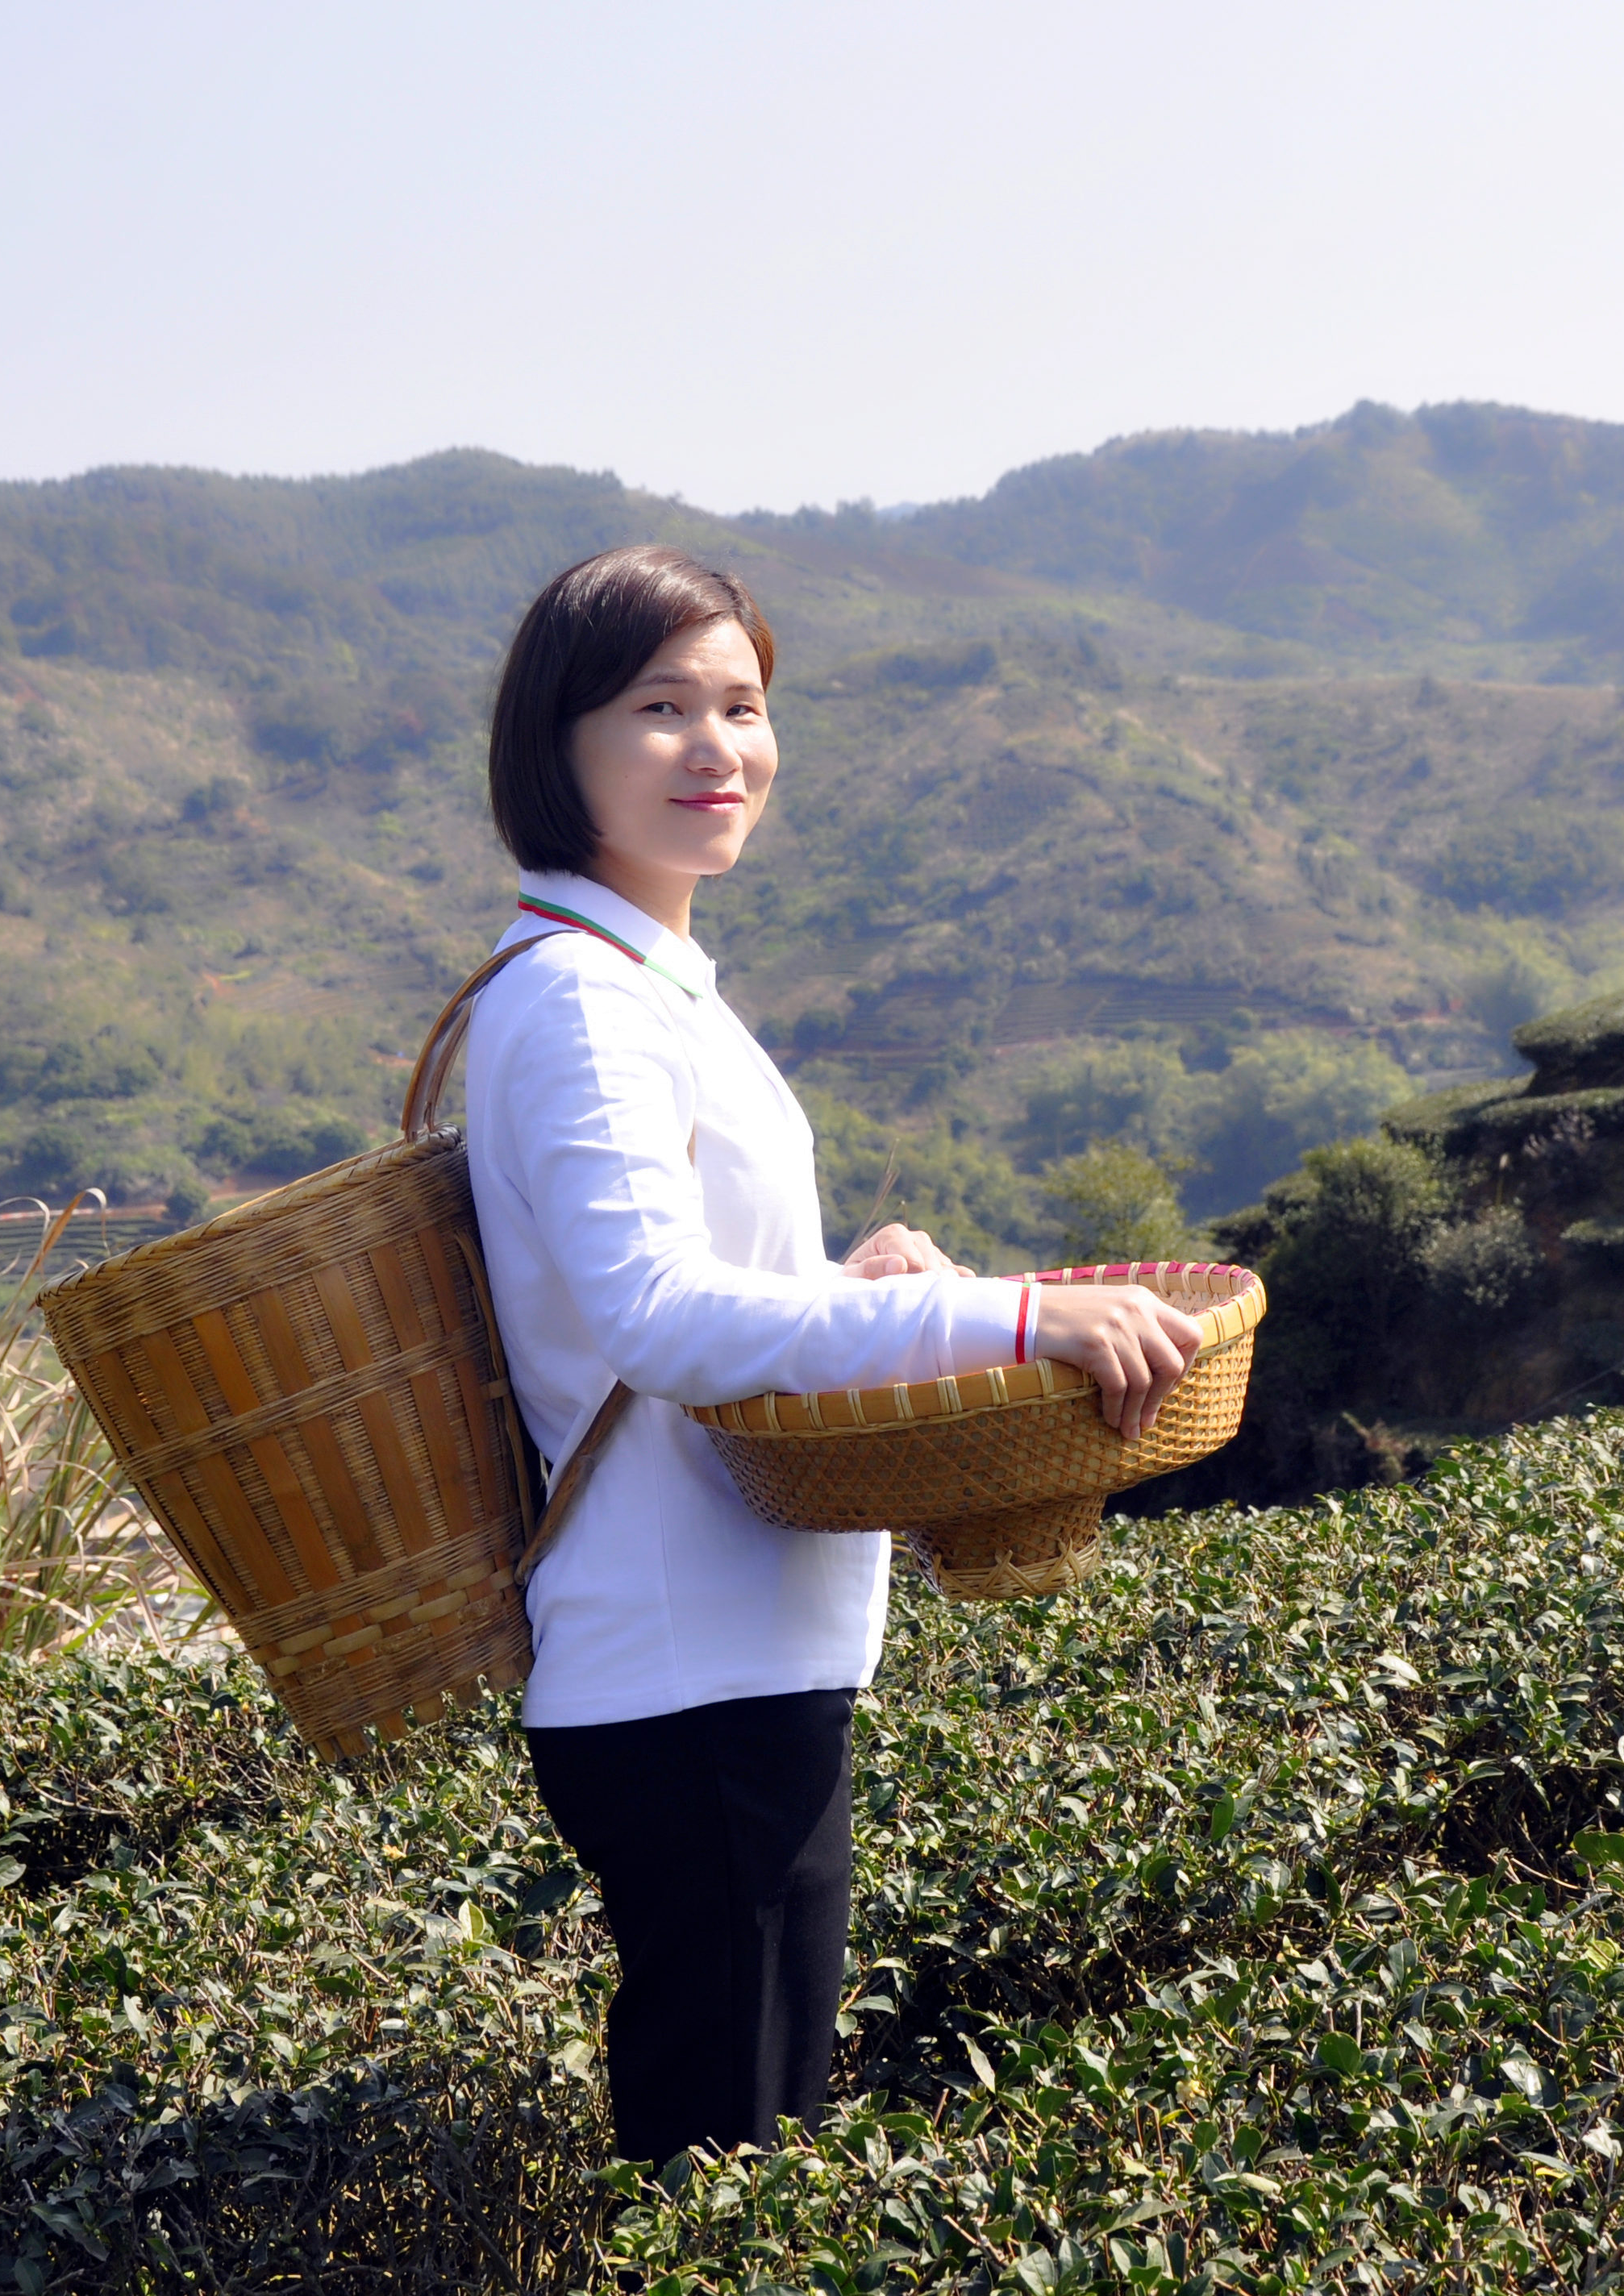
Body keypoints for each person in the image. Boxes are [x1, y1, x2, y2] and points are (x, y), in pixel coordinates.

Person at [460, 544, 1201, 2167]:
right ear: (557, 742)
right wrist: (1012, 1312)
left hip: (733, 1662)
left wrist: (833, 1278)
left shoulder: (642, 982)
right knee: (722, 2171)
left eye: (742, 703)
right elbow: (657, 1316)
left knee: (749, 2156)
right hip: (684, 1677)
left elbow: (678, 1297)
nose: (717, 746)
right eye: (660, 708)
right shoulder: (585, 1003)